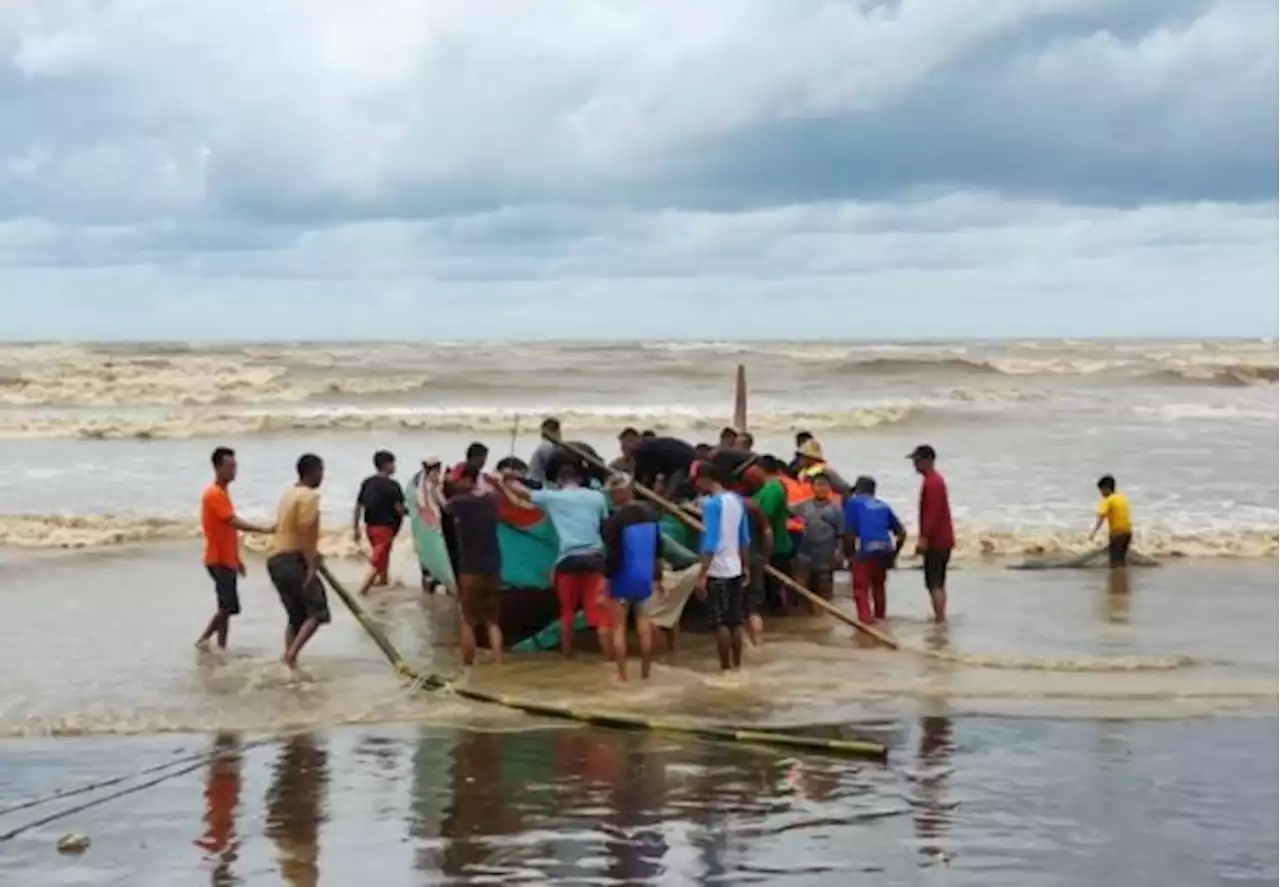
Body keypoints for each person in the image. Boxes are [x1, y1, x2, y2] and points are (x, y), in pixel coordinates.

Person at [499, 463, 611, 659]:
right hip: (594, 559)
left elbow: (523, 494)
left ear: (560, 481)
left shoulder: (554, 497)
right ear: (579, 479)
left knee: (567, 614)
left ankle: (568, 658)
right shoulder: (597, 497)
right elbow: (603, 522)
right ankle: (609, 661)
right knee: (598, 615)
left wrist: (508, 479)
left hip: (568, 561)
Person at [197, 447, 274, 650]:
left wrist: (237, 559)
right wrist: (262, 529)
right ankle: (203, 640)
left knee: (226, 607)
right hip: (217, 559)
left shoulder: (223, 492)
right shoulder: (214, 494)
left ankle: (222, 645)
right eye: (230, 466)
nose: (234, 470)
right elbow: (233, 522)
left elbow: (226, 530)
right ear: (218, 467)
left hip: (226, 558)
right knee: (228, 607)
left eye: (235, 466)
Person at [266, 454, 330, 669]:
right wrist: (311, 563)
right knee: (318, 611)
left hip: (276, 560)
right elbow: (304, 530)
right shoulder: (309, 497)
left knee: (296, 616)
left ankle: (289, 660)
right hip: (294, 559)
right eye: (321, 471)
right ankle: (291, 655)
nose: (322, 476)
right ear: (313, 472)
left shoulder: (288, 494)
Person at [601, 475, 664, 681]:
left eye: (613, 493)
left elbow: (613, 556)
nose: (611, 497)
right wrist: (658, 578)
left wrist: (606, 580)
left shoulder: (614, 521)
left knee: (618, 628)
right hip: (644, 578)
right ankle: (646, 674)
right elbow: (658, 550)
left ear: (622, 492)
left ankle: (623, 677)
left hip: (622, 579)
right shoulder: (651, 515)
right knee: (644, 626)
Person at [444, 468, 504, 665]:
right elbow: (499, 492)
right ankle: (498, 663)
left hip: (470, 569)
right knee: (492, 622)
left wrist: (434, 485)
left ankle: (468, 666)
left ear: (468, 481)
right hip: (493, 567)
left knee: (468, 621)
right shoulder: (491, 501)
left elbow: (443, 506)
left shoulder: (460, 502)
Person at [694, 462, 751, 670]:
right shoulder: (738, 500)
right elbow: (744, 538)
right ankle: (737, 664)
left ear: (707, 479)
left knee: (720, 622)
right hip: (735, 566)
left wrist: (701, 574)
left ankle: (724, 666)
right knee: (735, 620)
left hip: (717, 568)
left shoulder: (711, 504)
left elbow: (710, 543)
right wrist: (746, 566)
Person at [843, 476, 907, 623]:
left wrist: (850, 556)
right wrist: (894, 555)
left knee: (860, 589)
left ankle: (866, 624)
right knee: (879, 587)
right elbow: (902, 533)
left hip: (867, 549)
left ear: (858, 490)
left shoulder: (853, 503)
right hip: (885, 549)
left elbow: (849, 534)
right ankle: (881, 619)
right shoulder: (883, 505)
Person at [909, 444, 954, 623]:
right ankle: (940, 615)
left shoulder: (933, 482)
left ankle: (940, 617)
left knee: (934, 582)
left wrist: (924, 538)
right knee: (937, 581)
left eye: (917, 460)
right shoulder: (934, 480)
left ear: (928, 461)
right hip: (942, 539)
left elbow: (933, 514)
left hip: (937, 541)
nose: (914, 464)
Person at [789, 472, 845, 610]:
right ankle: (806, 618)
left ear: (830, 488)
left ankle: (823, 618)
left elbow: (841, 534)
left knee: (824, 592)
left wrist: (839, 553)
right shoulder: (804, 506)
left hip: (826, 555)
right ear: (812, 487)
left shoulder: (835, 509)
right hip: (805, 552)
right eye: (818, 484)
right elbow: (787, 509)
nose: (822, 488)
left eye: (825, 485)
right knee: (801, 588)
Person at [353, 450, 405, 596]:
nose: (395, 467)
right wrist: (411, 512)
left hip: (370, 527)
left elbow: (359, 506)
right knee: (378, 562)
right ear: (386, 465)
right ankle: (361, 592)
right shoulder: (393, 485)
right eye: (393, 463)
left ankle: (383, 583)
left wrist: (356, 527)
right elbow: (399, 509)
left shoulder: (367, 482)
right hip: (385, 528)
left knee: (383, 558)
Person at [752, 456, 794, 610]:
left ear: (760, 469)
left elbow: (765, 514)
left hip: (775, 545)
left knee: (775, 586)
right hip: (771, 543)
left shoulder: (773, 489)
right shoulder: (768, 487)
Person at [1090, 474, 1133, 568]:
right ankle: (1122, 574)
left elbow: (1101, 517)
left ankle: (1117, 577)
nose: (1101, 493)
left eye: (1101, 490)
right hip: (1128, 533)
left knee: (1114, 559)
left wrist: (1094, 532)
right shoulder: (1122, 497)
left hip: (1116, 534)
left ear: (1106, 488)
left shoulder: (1108, 500)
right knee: (1121, 557)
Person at [631, 435, 697, 492]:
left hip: (682, 461)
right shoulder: (647, 446)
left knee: (673, 489)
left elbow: (650, 474)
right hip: (681, 457)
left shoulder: (644, 452)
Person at [528, 417, 561, 484]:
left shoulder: (547, 446)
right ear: (557, 432)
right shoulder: (546, 447)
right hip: (538, 483)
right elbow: (555, 470)